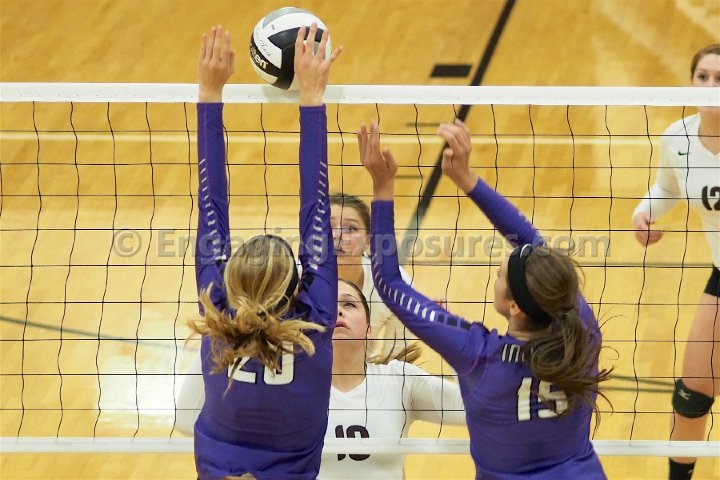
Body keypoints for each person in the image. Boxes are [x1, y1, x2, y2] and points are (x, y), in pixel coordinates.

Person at [359, 118, 611, 479]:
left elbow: (389, 285)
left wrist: (383, 188)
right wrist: (467, 179)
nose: (495, 274)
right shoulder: (581, 331)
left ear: (515, 306)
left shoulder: (478, 354)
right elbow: (536, 248)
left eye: (500, 274)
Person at [189, 24, 342, 479]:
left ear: (232, 279)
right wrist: (311, 98)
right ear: (295, 288)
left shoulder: (220, 309)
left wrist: (209, 93)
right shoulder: (309, 321)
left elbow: (211, 202)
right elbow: (315, 206)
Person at [177, 279, 466, 480]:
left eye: (350, 305)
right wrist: (219, 335)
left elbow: (473, 408)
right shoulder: (283, 384)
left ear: (369, 329)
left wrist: (451, 341)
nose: (338, 311)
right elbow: (186, 420)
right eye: (328, 305)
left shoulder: (399, 380)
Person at [631, 44, 720, 480]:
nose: (710, 86)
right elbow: (667, 188)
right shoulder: (677, 139)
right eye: (703, 77)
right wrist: (644, 212)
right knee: (692, 394)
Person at [330, 193, 416, 358]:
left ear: (369, 242)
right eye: (328, 227)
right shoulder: (295, 276)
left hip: (363, 371)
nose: (337, 235)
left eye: (350, 228)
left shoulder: (394, 284)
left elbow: (399, 360)